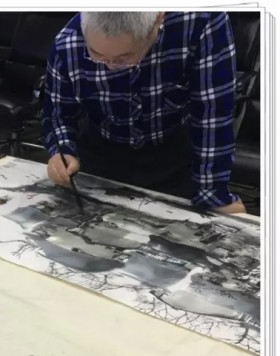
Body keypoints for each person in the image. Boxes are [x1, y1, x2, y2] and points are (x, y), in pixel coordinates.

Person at [42, 12, 246, 214]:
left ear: (157, 22)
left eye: (123, 58)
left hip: (174, 154)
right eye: (95, 54)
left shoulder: (201, 21)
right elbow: (58, 115)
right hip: (100, 153)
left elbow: (212, 114)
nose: (110, 66)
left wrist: (213, 195)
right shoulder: (67, 43)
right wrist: (63, 152)